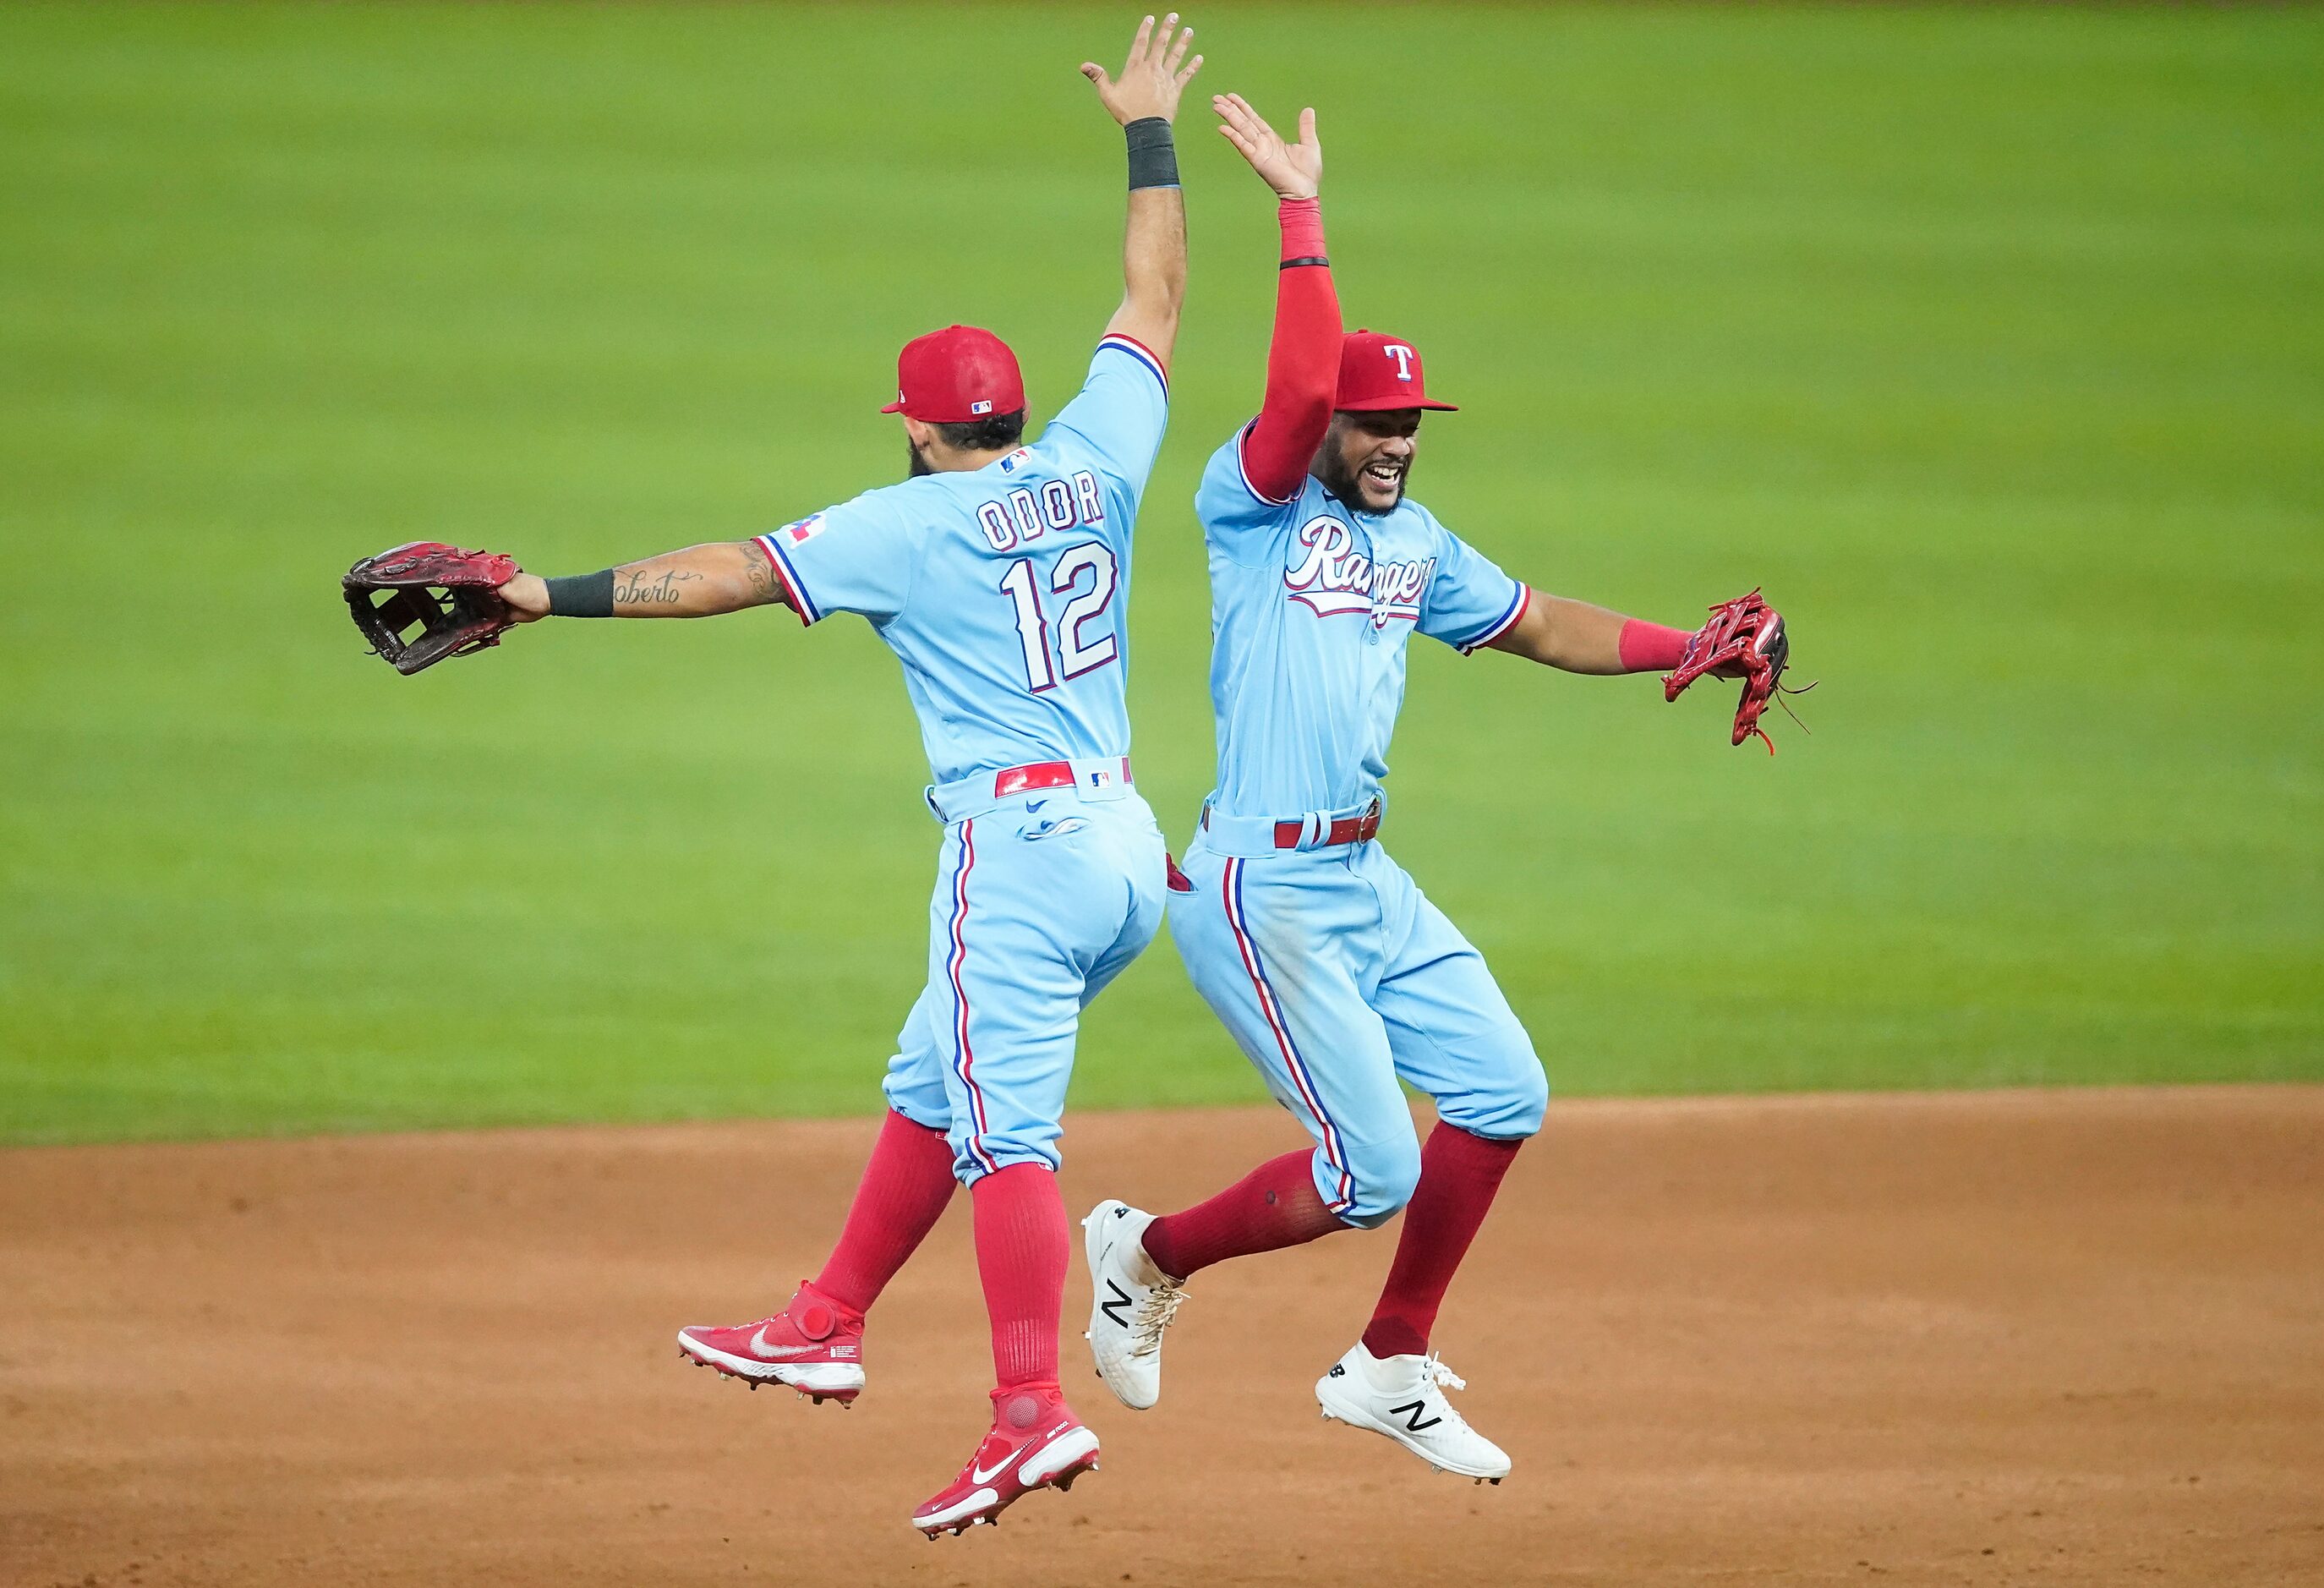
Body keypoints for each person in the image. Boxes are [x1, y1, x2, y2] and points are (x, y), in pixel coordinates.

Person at [489, 16, 1203, 1536]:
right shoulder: (1095, 455)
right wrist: (1148, 132)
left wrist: (548, 593)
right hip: (1128, 848)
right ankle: (823, 1320)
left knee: (1010, 1128)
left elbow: (729, 572)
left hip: (1015, 850)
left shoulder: (908, 526)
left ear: (927, 432)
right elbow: (1154, 294)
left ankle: (1029, 1413)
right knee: (935, 1082)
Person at [1081, 92, 1776, 1485]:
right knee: (1369, 1170)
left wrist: (1679, 643)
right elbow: (1287, 397)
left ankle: (1388, 1358)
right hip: (1258, 885)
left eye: (1410, 418)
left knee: (1504, 1091)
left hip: (1359, 877)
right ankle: (1143, 1254)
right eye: (1372, 419)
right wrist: (1298, 207)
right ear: (1329, 424)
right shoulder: (1252, 504)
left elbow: (1531, 620)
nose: (1393, 437)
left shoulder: (1417, 542)